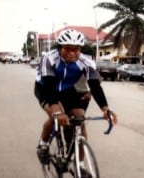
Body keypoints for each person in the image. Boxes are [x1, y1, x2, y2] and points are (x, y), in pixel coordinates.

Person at [34, 29, 118, 173]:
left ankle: (79, 165)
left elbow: (95, 86)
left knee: (80, 120)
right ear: (59, 48)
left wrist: (105, 109)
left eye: (76, 49)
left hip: (67, 89)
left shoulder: (86, 61)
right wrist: (57, 112)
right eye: (67, 49)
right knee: (56, 116)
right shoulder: (49, 58)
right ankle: (43, 145)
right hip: (45, 88)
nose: (72, 53)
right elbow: (49, 86)